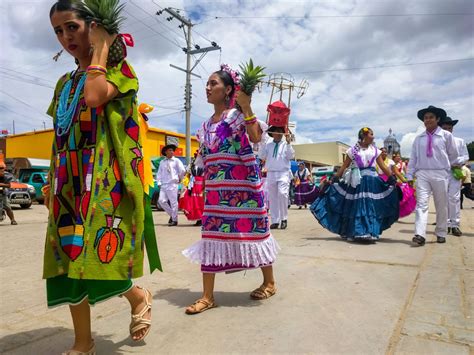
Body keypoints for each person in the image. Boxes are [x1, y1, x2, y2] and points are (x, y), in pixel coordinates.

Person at [43, 2, 161, 353]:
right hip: (69, 182)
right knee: (66, 259)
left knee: (97, 255)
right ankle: (83, 342)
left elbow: (95, 98)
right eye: (58, 31)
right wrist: (52, 180)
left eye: (72, 27)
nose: (65, 37)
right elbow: (60, 134)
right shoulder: (65, 83)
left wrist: (103, 48)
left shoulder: (119, 72)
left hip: (103, 183)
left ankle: (138, 296)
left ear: (93, 27)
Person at [182, 65, 279, 314]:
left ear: (227, 90)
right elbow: (204, 158)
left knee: (255, 233)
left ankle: (270, 281)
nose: (207, 87)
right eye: (207, 83)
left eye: (213, 83)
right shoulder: (204, 126)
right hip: (216, 193)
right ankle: (207, 296)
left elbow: (256, 138)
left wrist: (246, 107)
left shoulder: (237, 116)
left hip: (244, 189)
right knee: (211, 237)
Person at [310, 127, 399, 243]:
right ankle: (357, 231)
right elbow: (344, 166)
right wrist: (335, 178)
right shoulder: (352, 150)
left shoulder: (375, 151)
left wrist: (391, 177)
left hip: (372, 182)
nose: (373, 137)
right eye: (371, 134)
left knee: (370, 206)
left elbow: (383, 166)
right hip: (357, 181)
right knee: (357, 206)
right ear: (364, 136)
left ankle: (370, 232)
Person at [407, 106, 459, 246]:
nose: (428, 120)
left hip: (440, 173)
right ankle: (420, 234)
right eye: (425, 118)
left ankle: (441, 232)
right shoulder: (419, 139)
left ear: (437, 119)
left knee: (441, 204)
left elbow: (453, 154)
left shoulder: (446, 136)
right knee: (422, 204)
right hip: (422, 173)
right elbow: (413, 158)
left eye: (431, 117)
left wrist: (451, 167)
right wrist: (409, 175)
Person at [258, 126, 295, 229]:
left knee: (283, 194)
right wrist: (262, 142)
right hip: (271, 173)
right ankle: (275, 220)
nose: (278, 133)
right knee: (273, 197)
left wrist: (288, 143)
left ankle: (284, 218)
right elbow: (261, 156)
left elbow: (291, 156)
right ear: (272, 133)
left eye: (280, 131)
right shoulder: (268, 145)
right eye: (275, 131)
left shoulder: (285, 144)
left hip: (283, 173)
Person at [438, 116, 469, 236]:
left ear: (452, 129)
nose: (447, 130)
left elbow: (465, 156)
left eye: (449, 128)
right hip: (441, 173)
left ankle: (455, 224)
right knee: (443, 199)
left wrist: (456, 162)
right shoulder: (436, 141)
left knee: (454, 198)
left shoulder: (459, 141)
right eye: (444, 128)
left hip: (455, 172)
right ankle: (445, 224)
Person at [156, 144, 186, 226]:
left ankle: (174, 220)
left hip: (172, 184)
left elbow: (182, 171)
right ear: (165, 152)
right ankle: (172, 215)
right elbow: (159, 173)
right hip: (164, 184)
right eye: (170, 150)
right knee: (161, 201)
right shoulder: (162, 162)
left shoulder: (176, 161)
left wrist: (180, 178)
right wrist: (158, 182)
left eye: (172, 150)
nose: (172, 152)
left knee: (173, 202)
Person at [179, 154, 205, 226]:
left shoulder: (205, 164)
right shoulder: (191, 166)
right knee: (191, 201)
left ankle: (201, 219)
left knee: (200, 203)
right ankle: (198, 218)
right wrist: (185, 185)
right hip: (192, 186)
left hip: (201, 186)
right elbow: (187, 175)